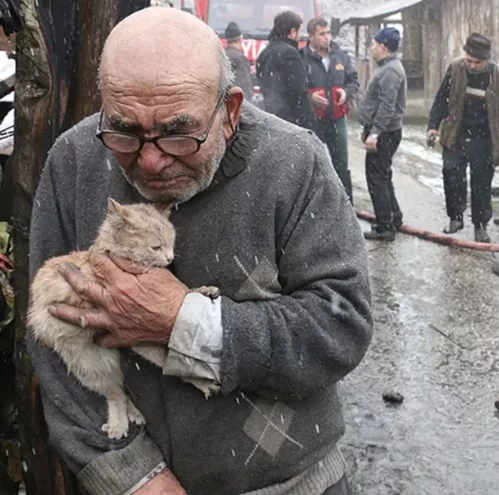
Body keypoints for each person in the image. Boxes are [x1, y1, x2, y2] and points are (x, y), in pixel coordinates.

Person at [27, 7, 372, 495]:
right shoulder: (75, 160)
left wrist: (185, 323)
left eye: (178, 133)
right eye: (124, 131)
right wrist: (131, 477)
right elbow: (50, 343)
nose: (150, 160)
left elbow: (341, 327)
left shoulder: (295, 162)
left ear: (229, 111)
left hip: (294, 483)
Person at [427, 33, 499, 243]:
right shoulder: (455, 69)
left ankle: (480, 226)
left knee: (481, 183)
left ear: (486, 59)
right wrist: (433, 126)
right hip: (456, 134)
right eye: (469, 60)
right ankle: (456, 217)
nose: (472, 65)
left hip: (486, 138)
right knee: (451, 173)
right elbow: (441, 99)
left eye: (477, 62)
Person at [357, 27, 406, 241]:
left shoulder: (390, 71)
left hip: (385, 132)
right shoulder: (388, 68)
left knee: (376, 178)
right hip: (385, 130)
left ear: (383, 47)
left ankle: (385, 226)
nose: (371, 48)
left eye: (374, 44)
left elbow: (387, 106)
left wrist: (375, 133)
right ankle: (393, 217)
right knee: (383, 175)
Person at [302, 17, 358, 204]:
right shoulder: (302, 58)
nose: (327, 37)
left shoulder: (340, 56)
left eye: (328, 33)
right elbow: (295, 88)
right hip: (313, 121)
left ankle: (346, 205)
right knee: (312, 164)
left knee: (341, 164)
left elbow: (353, 81)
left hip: (337, 118)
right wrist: (310, 97)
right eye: (322, 34)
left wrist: (346, 92)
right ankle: (315, 205)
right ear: (311, 37)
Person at [255, 10, 315, 129]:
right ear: (292, 32)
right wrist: (310, 122)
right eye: (299, 31)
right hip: (290, 121)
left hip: (270, 118)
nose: (300, 36)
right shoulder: (290, 54)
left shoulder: (264, 53)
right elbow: (299, 92)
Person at [223, 21, 255, 98]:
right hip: (236, 100)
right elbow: (245, 84)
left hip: (224, 99)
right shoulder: (240, 58)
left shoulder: (222, 55)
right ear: (240, 39)